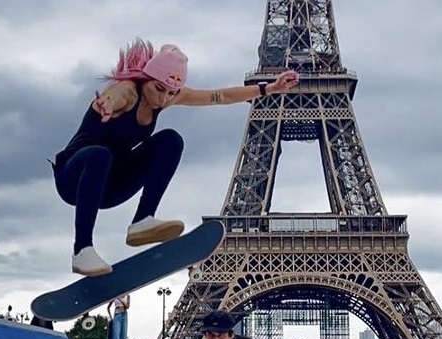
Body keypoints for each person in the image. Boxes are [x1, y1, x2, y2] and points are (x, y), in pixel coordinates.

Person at [51, 38, 300, 275]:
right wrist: (106, 103)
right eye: (159, 89)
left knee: (170, 140)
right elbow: (114, 95)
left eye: (171, 93)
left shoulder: (166, 97)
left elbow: (221, 96)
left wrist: (269, 88)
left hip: (111, 188)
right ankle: (82, 250)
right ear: (148, 78)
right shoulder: (128, 91)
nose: (164, 98)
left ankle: (142, 220)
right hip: (74, 179)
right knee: (99, 155)